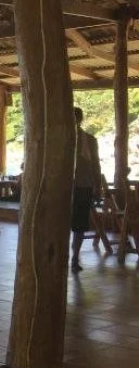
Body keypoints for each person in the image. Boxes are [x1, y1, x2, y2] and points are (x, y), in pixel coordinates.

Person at [70, 107, 101, 273]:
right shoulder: (59, 139)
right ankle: (65, 257)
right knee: (64, 223)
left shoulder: (89, 140)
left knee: (80, 225)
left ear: (79, 120)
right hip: (65, 188)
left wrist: (98, 186)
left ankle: (75, 257)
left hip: (83, 186)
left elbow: (95, 165)